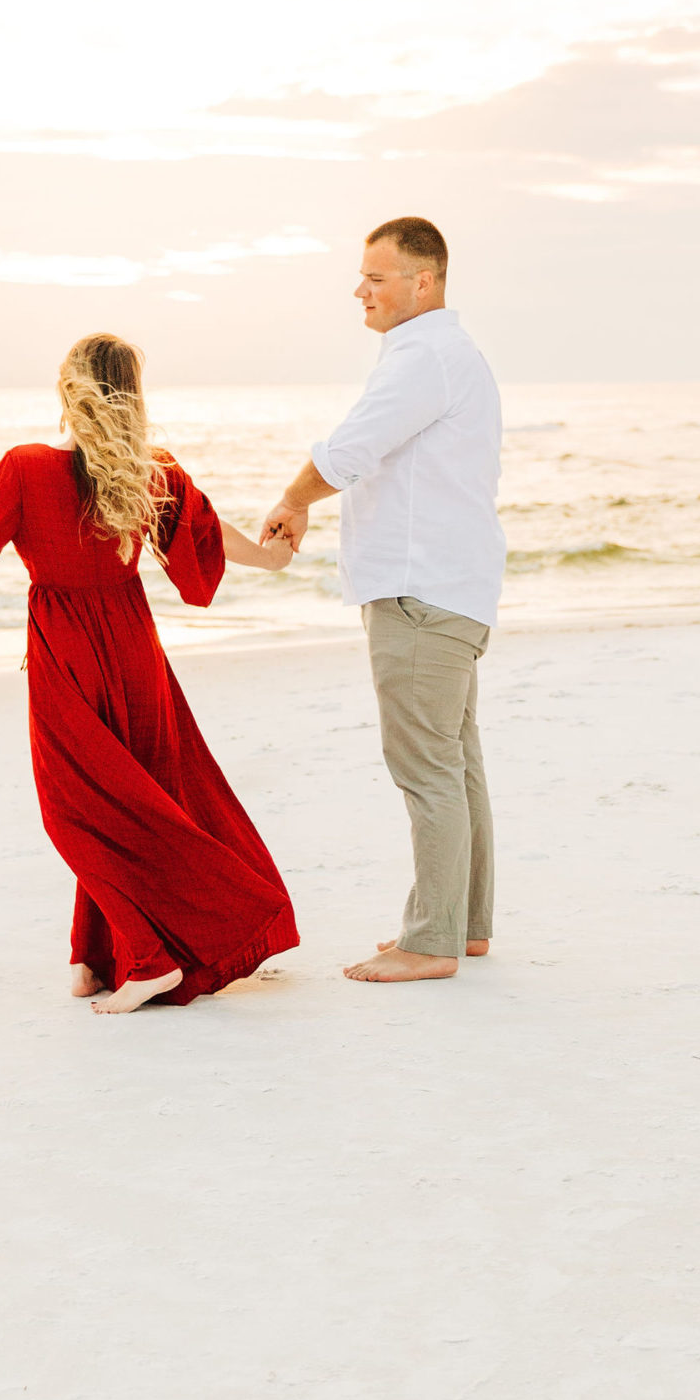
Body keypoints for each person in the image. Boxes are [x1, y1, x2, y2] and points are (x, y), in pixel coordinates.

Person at [0, 333, 300, 1014]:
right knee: (131, 800)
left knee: (78, 811)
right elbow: (206, 538)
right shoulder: (151, 470)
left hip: (68, 654)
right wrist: (271, 560)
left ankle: (149, 961)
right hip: (135, 652)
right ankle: (97, 957)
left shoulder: (25, 468)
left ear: (68, 388)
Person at [263, 216, 504, 985]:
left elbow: (348, 452)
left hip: (419, 589)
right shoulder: (444, 354)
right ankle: (461, 926)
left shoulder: (423, 356)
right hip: (451, 585)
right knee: (454, 762)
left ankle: (430, 941)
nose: (360, 290)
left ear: (422, 282)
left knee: (426, 766)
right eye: (361, 276)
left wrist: (291, 502)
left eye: (376, 277)